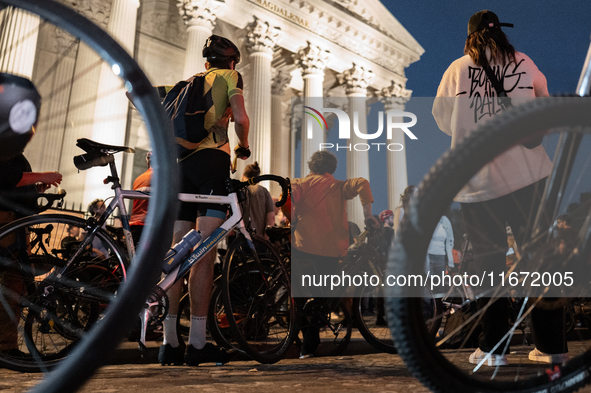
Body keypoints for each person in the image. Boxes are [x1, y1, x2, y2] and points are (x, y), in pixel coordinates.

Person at [432, 10, 561, 366]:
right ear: (501, 34)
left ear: (469, 36)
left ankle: (493, 349)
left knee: (487, 266)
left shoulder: (456, 70)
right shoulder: (524, 62)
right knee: (539, 260)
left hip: (480, 181)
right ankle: (552, 347)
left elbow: (444, 120)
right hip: (530, 177)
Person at [158, 35, 250, 367]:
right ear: (232, 62)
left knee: (178, 252)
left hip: (179, 168)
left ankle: (169, 343)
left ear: (205, 61)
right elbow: (240, 118)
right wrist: (244, 145)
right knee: (203, 253)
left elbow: (135, 95)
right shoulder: (230, 77)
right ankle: (197, 343)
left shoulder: (182, 86)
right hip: (210, 165)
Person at [290, 150, 379, 358]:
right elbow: (362, 183)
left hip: (302, 247)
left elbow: (289, 202)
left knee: (301, 298)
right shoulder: (339, 186)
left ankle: (303, 344)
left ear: (311, 166)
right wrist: (368, 215)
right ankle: (311, 344)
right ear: (332, 168)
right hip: (331, 250)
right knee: (327, 295)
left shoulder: (300, 183)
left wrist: (292, 220)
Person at [0, 74, 62, 356]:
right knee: (11, 282)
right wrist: (41, 175)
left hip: (12, 217)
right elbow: (7, 177)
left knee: (13, 282)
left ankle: (6, 345)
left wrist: (35, 185)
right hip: (5, 220)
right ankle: (6, 346)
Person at [240, 162, 274, 238]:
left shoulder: (239, 191)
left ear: (243, 174)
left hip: (241, 238)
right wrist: (266, 236)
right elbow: (271, 217)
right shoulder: (265, 192)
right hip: (260, 238)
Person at [129, 151, 153, 246]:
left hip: (134, 224)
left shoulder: (138, 179)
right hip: (149, 225)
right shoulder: (160, 178)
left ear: (148, 161)